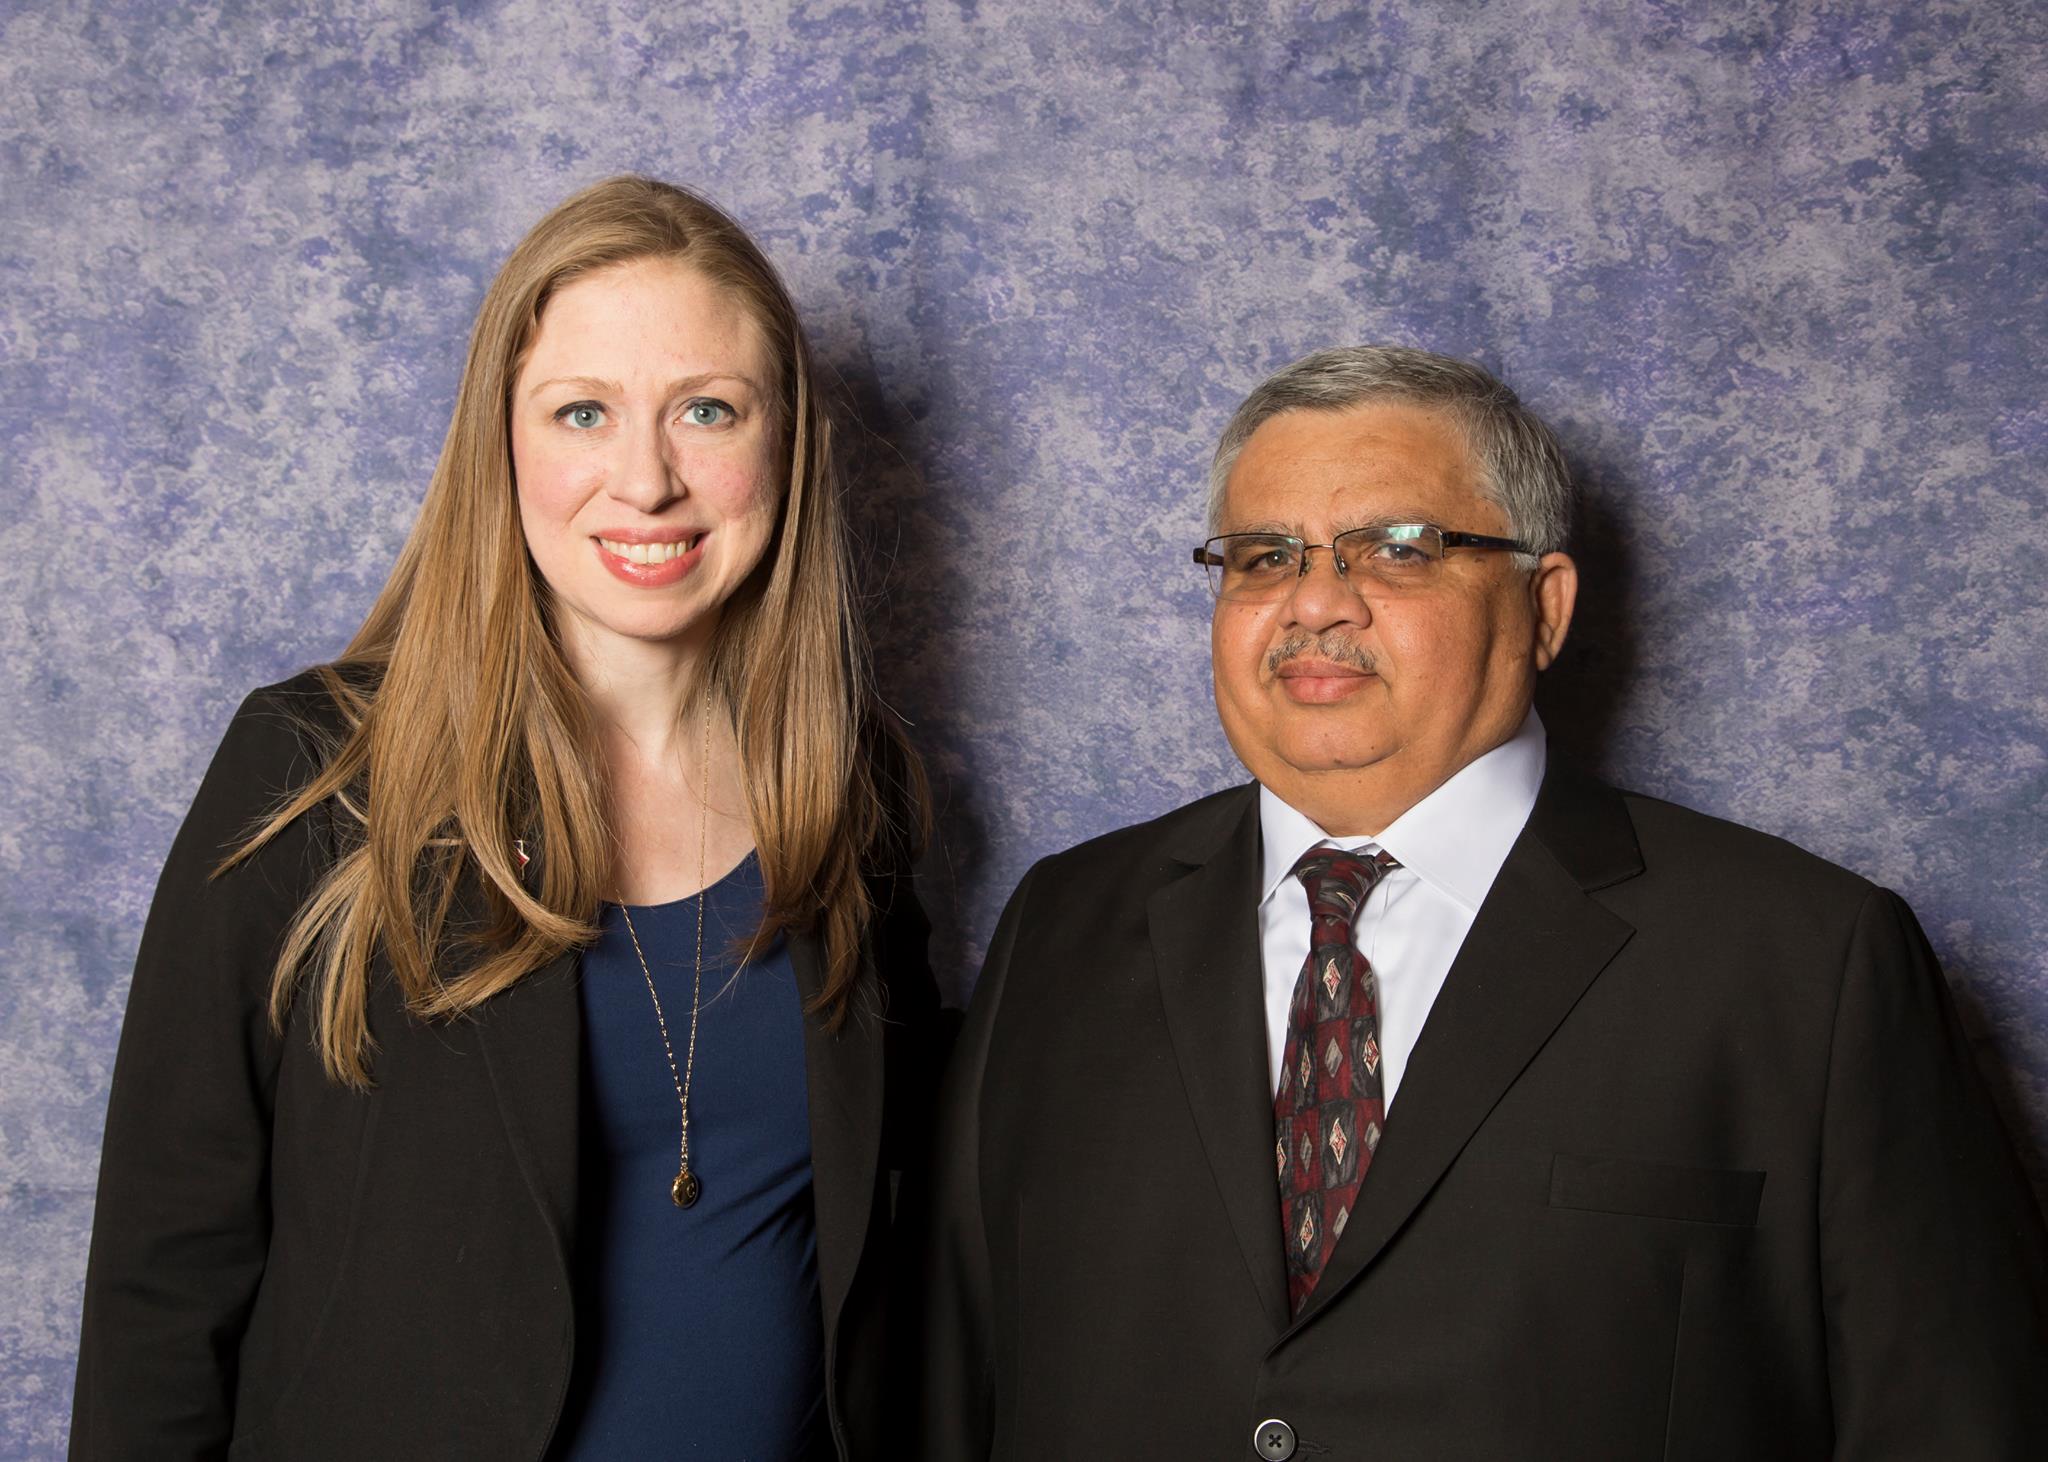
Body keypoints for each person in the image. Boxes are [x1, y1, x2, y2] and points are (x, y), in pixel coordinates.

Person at [916, 345, 2048, 1460]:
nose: (1314, 601)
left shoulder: (1807, 963)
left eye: (1397, 549)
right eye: (1262, 556)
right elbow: (953, 1390)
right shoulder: (1060, 927)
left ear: (1543, 607)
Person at [70, 176, 936, 1462]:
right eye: (582, 412)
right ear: (503, 441)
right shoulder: (320, 774)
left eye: (706, 410)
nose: (645, 480)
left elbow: (905, 1258)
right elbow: (164, 1278)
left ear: (787, 445)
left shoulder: (852, 789)